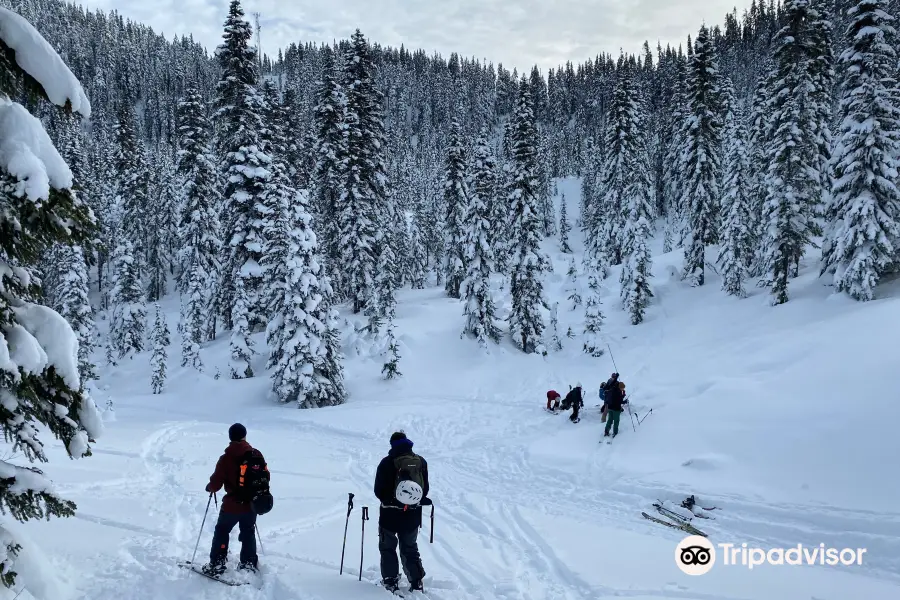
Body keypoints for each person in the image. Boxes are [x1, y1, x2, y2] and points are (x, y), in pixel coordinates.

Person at [202, 423, 268, 575]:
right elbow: (265, 476)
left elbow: (216, 484)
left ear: (230, 437)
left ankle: (217, 562)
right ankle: (248, 562)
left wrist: (209, 487)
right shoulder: (256, 454)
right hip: (251, 504)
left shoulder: (226, 458)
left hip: (232, 505)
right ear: (244, 436)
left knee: (222, 530)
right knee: (248, 531)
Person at [374, 432, 431, 593]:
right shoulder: (421, 462)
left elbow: (379, 490)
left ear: (392, 444)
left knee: (388, 548)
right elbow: (424, 489)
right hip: (412, 514)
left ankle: (391, 581)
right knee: (410, 548)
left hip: (389, 515)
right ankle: (416, 581)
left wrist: (390, 500)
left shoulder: (386, 463)